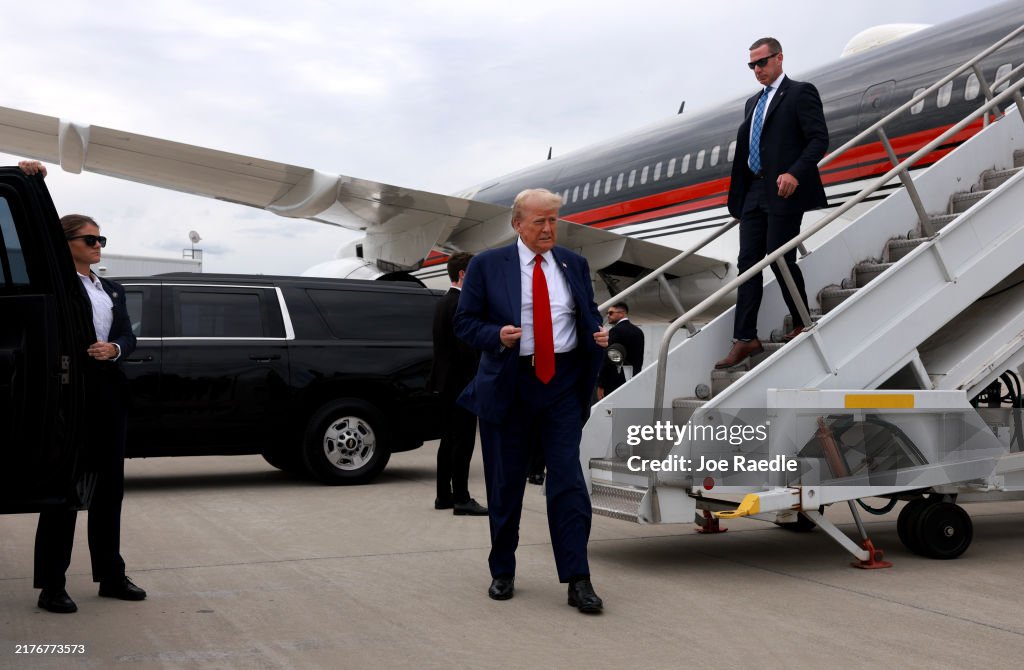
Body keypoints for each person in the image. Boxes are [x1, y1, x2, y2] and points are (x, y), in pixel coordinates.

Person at [454, 187, 608, 614]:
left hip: (560, 384)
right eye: (539, 221)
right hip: (510, 383)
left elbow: (586, 313)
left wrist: (596, 334)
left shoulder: (572, 264)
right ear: (517, 224)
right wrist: (496, 336)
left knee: (568, 482)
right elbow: (464, 322)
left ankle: (578, 579)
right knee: (505, 484)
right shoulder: (488, 265)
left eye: (553, 220)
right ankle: (503, 570)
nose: (548, 229)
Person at [21, 161, 146, 614]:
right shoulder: (56, 284)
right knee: (66, 490)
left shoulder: (111, 289)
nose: (97, 246)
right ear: (66, 243)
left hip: (108, 392)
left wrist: (115, 349)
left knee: (109, 489)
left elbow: (130, 335)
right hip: (68, 394)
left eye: (101, 240)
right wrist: (32, 182)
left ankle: (110, 575)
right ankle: (51, 585)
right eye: (88, 239)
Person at [715, 38, 829, 369]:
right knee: (747, 263)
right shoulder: (753, 103)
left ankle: (801, 318)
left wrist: (795, 173)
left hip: (783, 190)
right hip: (753, 190)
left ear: (779, 58)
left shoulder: (800, 92)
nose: (757, 70)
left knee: (779, 256)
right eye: (752, 65)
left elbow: (818, 138)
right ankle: (744, 338)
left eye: (762, 63)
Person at [427, 252, 488, 516]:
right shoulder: (463, 304)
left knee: (448, 441)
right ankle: (462, 498)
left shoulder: (443, 302)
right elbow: (466, 350)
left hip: (444, 381)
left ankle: (444, 495)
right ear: (463, 275)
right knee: (463, 442)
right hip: (462, 382)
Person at [596, 302, 644, 399]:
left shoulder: (616, 331)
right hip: (632, 379)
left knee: (610, 411)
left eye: (611, 313)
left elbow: (608, 359)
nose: (608, 316)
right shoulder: (638, 332)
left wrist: (601, 384)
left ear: (622, 313)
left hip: (614, 382)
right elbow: (639, 359)